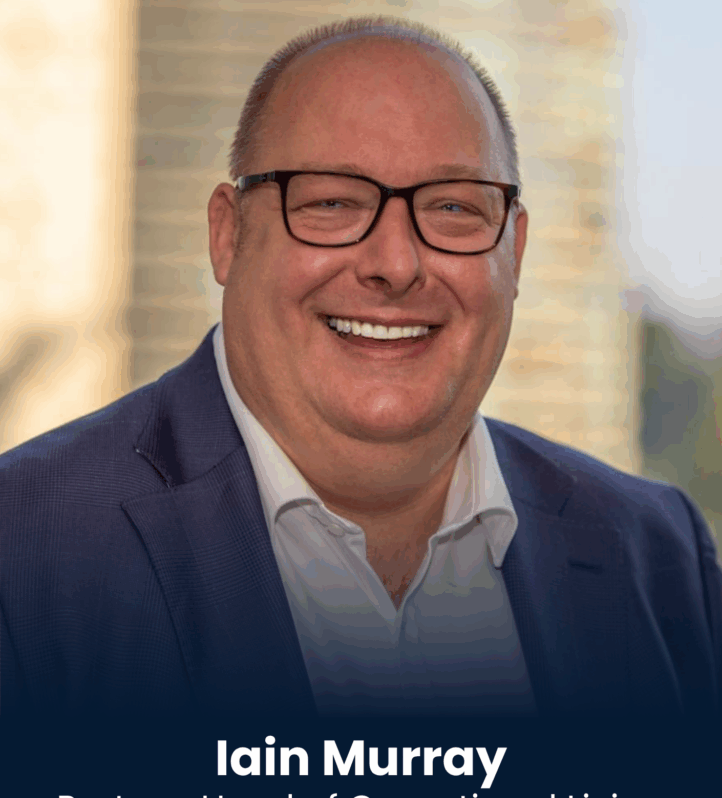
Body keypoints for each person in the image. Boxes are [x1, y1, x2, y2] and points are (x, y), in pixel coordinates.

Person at [1, 17, 719, 716]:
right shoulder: (24, 551)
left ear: (515, 253)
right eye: (333, 202)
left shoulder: (658, 561)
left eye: (452, 208)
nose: (396, 264)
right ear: (227, 235)